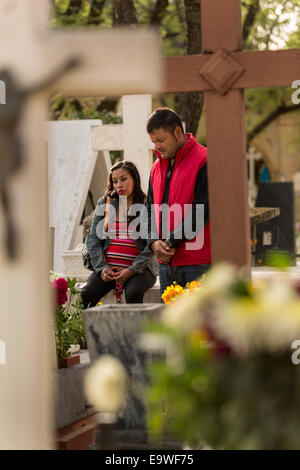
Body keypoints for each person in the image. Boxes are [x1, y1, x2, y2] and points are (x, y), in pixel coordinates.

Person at [146, 107, 211, 299]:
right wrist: (153, 243)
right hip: (166, 265)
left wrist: (169, 242)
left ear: (177, 132)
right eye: (153, 141)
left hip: (198, 263)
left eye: (160, 140)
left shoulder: (204, 159)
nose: (157, 146)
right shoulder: (156, 168)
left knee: (201, 326)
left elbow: (204, 210)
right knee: (171, 326)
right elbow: (149, 210)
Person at [81, 161, 157, 308]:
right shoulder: (105, 203)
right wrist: (102, 268)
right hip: (108, 269)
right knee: (86, 294)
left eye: (123, 179)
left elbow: (151, 245)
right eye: (114, 181)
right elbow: (93, 239)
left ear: (134, 179)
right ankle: (89, 331)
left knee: (133, 293)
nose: (119, 185)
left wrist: (131, 270)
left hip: (140, 270)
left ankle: (136, 331)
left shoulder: (146, 205)